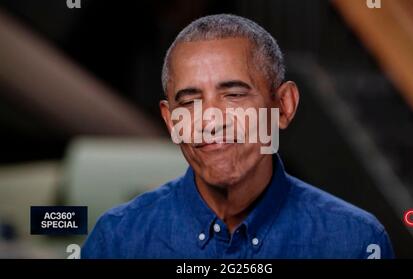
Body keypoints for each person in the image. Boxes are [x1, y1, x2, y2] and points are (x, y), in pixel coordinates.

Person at [82, 14, 394, 259]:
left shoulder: (354, 241)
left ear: (283, 106)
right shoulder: (118, 239)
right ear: (170, 120)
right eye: (189, 101)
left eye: (233, 94)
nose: (210, 120)